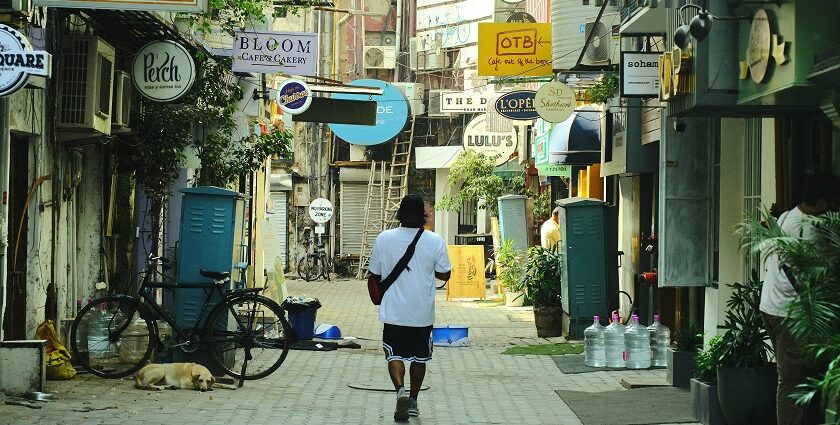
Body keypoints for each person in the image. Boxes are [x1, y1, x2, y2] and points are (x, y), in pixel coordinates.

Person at [760, 172, 840, 425]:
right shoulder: (811, 231)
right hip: (790, 314)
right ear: (824, 203)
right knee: (792, 381)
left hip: (772, 306)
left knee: (800, 377)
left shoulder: (787, 216)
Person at [368, 194, 451, 422]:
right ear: (423, 217)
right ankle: (413, 401)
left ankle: (400, 392)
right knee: (419, 358)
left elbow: (374, 274)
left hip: (394, 312)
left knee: (394, 354)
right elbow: (445, 273)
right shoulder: (435, 241)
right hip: (422, 314)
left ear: (400, 215)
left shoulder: (384, 238)